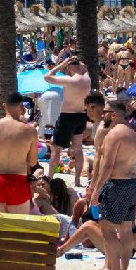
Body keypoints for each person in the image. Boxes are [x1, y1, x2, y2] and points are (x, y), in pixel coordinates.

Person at [85, 102, 136, 270]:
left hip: (116, 184)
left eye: (106, 112)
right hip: (132, 184)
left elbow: (107, 166)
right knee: (125, 231)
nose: (103, 115)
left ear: (114, 114)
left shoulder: (113, 135)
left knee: (107, 229)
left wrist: (96, 190)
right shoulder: (133, 134)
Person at [0, 93, 40, 218]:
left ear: (4, 106)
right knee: (17, 230)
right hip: (18, 182)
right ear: (22, 107)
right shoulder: (30, 131)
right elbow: (33, 162)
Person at [44, 57, 92, 186]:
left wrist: (62, 64)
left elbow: (47, 76)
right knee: (78, 149)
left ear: (69, 68)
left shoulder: (69, 80)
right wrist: (81, 65)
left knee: (56, 149)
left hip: (67, 116)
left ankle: (49, 177)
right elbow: (85, 69)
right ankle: (77, 181)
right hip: (81, 116)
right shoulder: (87, 79)